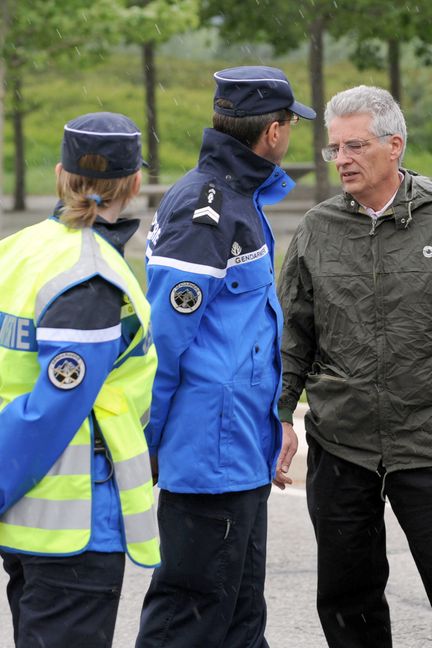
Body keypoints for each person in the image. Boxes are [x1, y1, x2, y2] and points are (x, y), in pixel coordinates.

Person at [135, 65, 315, 648]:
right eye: (290, 122)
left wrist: (274, 428)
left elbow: (245, 339)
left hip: (238, 447)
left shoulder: (240, 196)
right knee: (189, 617)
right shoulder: (205, 209)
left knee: (239, 614)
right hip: (207, 453)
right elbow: (165, 343)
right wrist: (150, 446)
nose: (291, 133)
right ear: (272, 133)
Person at [277, 84, 432, 648]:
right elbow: (293, 333)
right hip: (342, 445)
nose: (341, 159)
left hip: (427, 442)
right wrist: (281, 417)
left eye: (355, 146)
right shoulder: (317, 229)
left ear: (394, 146)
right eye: (333, 149)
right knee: (348, 601)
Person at [0, 111, 160, 648]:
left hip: (27, 515)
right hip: (72, 522)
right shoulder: (90, 275)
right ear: (135, 184)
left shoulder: (18, 249)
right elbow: (54, 411)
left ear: (61, 176)